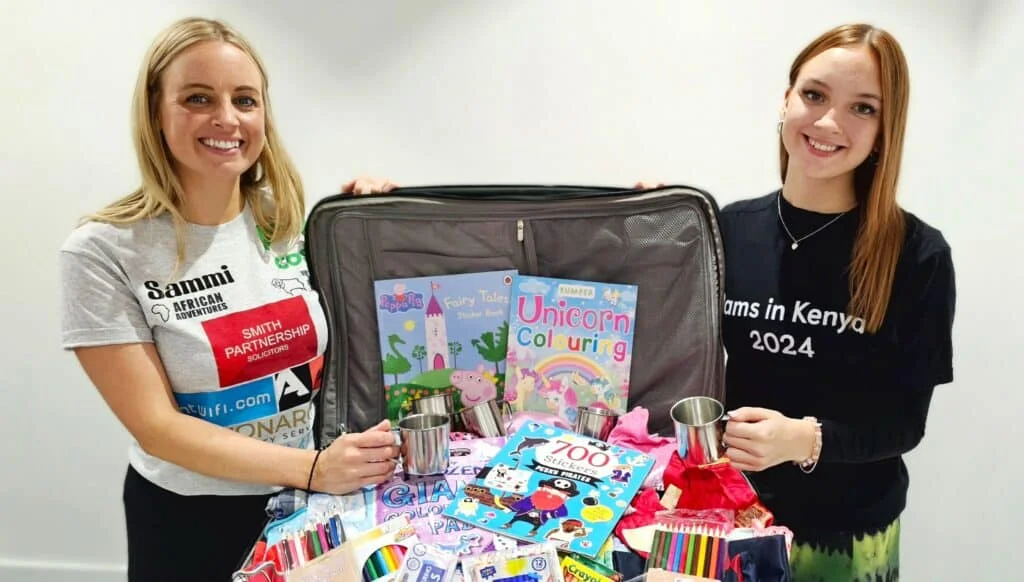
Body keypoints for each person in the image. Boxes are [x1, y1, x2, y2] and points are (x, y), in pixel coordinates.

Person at [58, 17, 399, 581]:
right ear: (155, 112)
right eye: (197, 97)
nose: (226, 118)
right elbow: (156, 427)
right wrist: (315, 469)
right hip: (191, 520)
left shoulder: (293, 226)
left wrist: (373, 223)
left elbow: (361, 341)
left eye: (245, 99)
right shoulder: (101, 252)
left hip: (307, 503)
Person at [647, 23, 955, 580]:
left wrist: (802, 438)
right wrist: (647, 229)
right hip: (731, 521)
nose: (829, 122)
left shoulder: (918, 255)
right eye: (814, 95)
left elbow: (905, 424)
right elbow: (663, 339)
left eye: (863, 108)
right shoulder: (725, 230)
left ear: (886, 130)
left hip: (846, 536)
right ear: (786, 99)